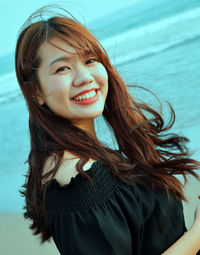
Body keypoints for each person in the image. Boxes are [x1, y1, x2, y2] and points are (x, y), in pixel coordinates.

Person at [15, 5, 200, 255]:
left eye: (90, 60)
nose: (84, 77)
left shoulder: (89, 159)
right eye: (62, 68)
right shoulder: (76, 180)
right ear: (36, 92)